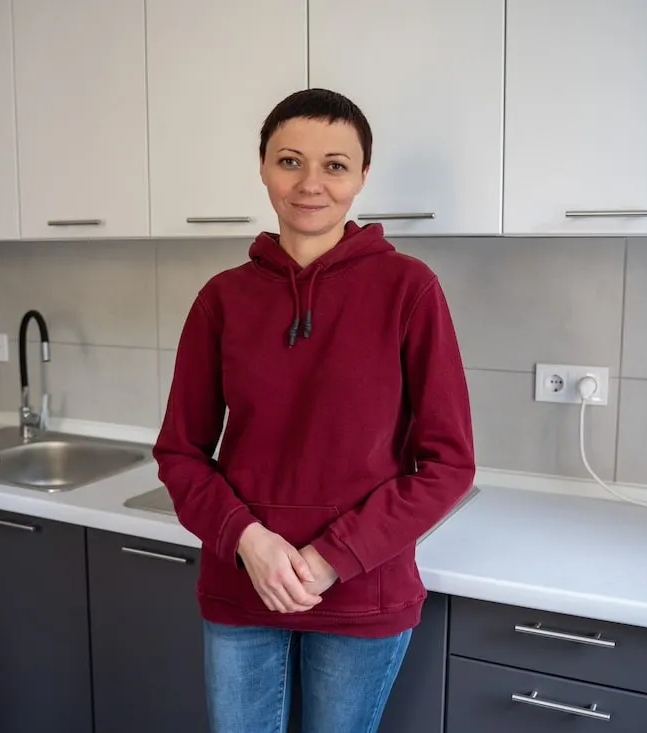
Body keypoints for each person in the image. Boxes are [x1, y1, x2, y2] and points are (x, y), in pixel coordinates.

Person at [153, 88, 475, 733]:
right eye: (290, 161)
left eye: (335, 165)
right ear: (263, 167)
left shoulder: (409, 289)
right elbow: (180, 453)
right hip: (243, 582)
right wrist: (250, 543)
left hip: (362, 588)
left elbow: (449, 465)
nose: (310, 184)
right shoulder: (222, 299)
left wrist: (332, 557)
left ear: (362, 176)